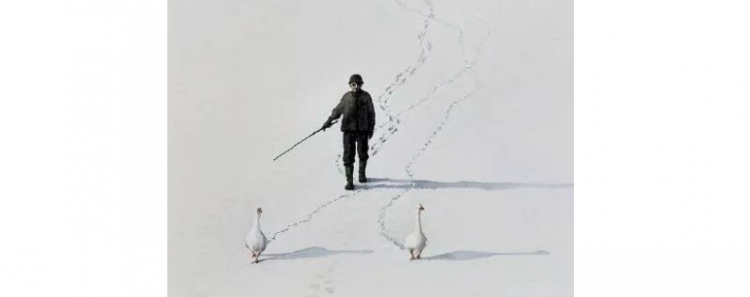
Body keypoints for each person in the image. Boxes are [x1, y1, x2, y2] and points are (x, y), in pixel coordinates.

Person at [322, 74, 376, 190]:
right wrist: (328, 121)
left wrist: (371, 128)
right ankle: (350, 181)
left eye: (358, 84)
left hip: (362, 131)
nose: (355, 86)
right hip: (348, 131)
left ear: (361, 85)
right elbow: (337, 110)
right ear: (350, 85)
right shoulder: (346, 97)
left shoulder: (366, 97)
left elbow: (371, 114)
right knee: (348, 156)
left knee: (363, 153)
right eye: (353, 84)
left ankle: (362, 175)